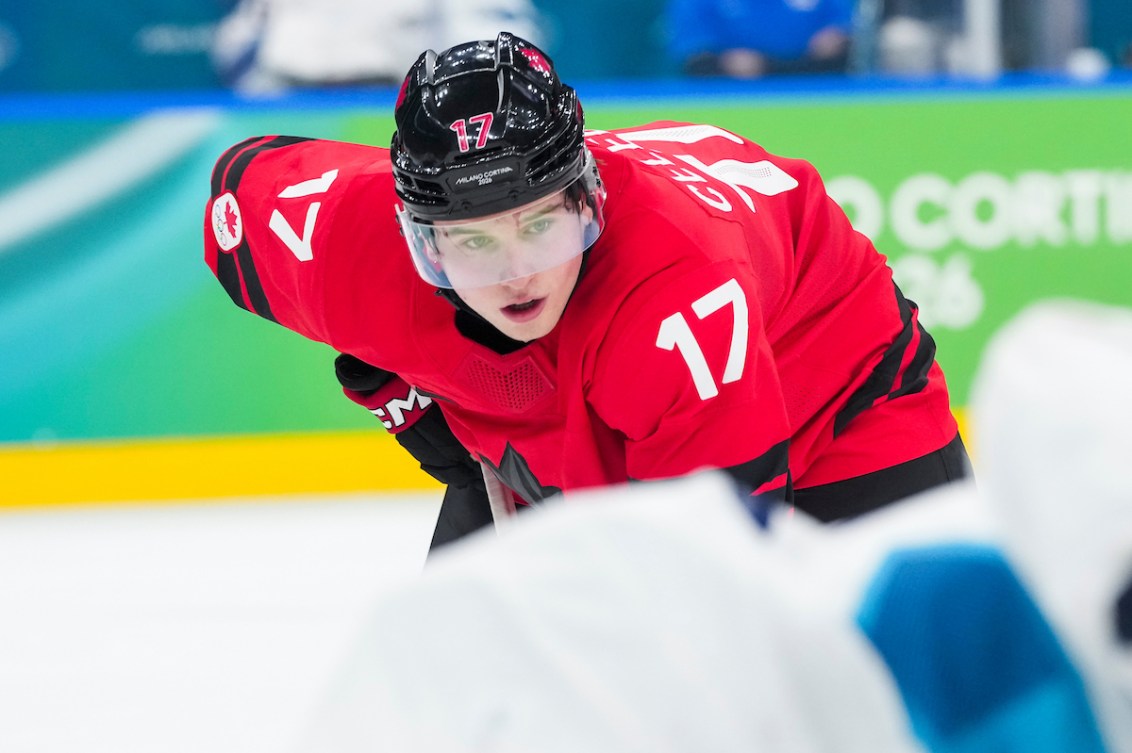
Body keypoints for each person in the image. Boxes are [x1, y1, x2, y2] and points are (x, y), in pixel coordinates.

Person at [203, 32, 970, 553]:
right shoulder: (343, 240)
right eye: (471, 241)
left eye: (540, 226)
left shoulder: (678, 298)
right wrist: (396, 378)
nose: (514, 273)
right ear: (417, 239)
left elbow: (724, 582)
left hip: (837, 393)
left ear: (587, 199)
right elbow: (242, 187)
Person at [663, 0, 855, 78]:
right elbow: (693, 47)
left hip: (815, 78)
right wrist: (722, 59)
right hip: (733, 88)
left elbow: (844, 22)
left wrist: (838, 32)